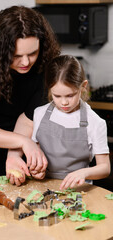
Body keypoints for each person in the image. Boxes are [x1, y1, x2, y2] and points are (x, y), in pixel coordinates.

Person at [0, 6, 60, 185]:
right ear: (0, 52)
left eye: (32, 53)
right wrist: (21, 142)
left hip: (29, 137)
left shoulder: (46, 63)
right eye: (15, 56)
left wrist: (18, 151)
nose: (25, 62)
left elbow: (28, 118)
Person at [32, 55, 110, 190]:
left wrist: (83, 173)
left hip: (79, 190)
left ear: (83, 86)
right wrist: (36, 169)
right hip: (42, 187)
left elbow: (105, 168)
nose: (64, 102)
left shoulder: (95, 122)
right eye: (57, 96)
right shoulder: (40, 113)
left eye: (70, 95)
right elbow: (35, 152)